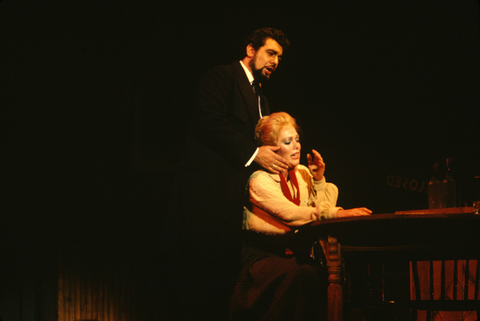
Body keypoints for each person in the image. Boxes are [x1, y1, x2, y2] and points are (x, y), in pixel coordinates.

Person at [167, 28, 291, 320]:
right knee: (199, 278)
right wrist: (253, 153)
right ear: (251, 50)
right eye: (270, 53)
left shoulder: (261, 96)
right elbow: (211, 121)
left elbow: (267, 143)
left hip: (234, 199)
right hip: (207, 192)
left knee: (224, 280)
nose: (275, 61)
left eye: (279, 57)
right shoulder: (221, 76)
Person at [229, 112, 372, 320]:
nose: (296, 146)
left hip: (294, 256)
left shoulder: (302, 173)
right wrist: (338, 213)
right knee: (302, 275)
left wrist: (319, 181)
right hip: (263, 257)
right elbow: (292, 215)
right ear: (271, 148)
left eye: (297, 139)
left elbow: (320, 210)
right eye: (288, 142)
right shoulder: (259, 181)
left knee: (321, 275)